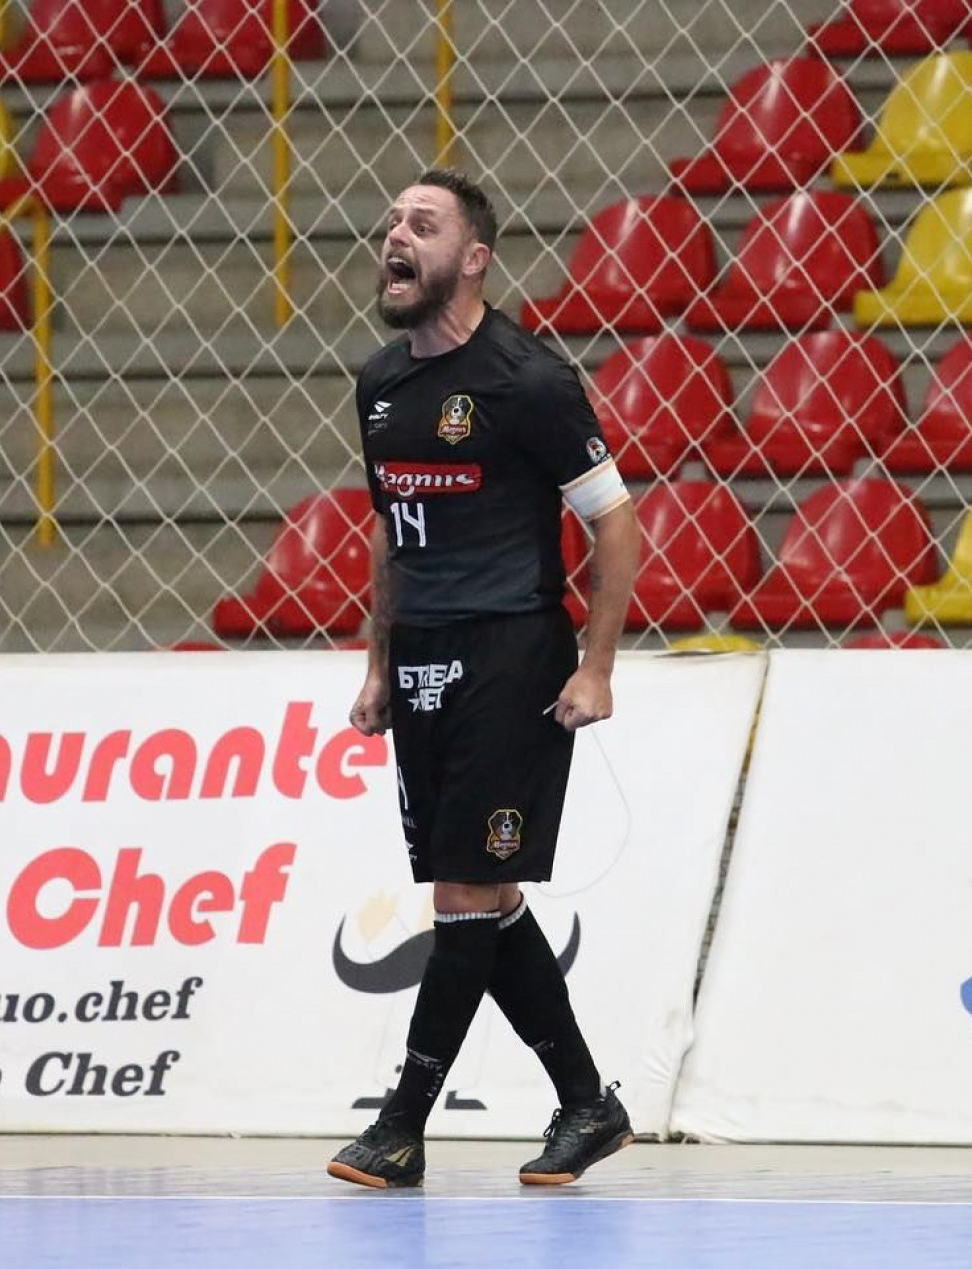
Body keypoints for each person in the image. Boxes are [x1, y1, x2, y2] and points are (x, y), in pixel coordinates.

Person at [325, 169, 643, 1189]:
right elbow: (391, 530)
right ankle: (587, 1105)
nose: (394, 236)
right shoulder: (379, 384)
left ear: (473, 257)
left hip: (512, 654)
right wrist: (378, 662)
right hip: (418, 655)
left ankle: (402, 1126)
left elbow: (615, 524)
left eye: (422, 223)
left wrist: (595, 668)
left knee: (466, 886)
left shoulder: (527, 380)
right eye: (389, 223)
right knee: (480, 893)